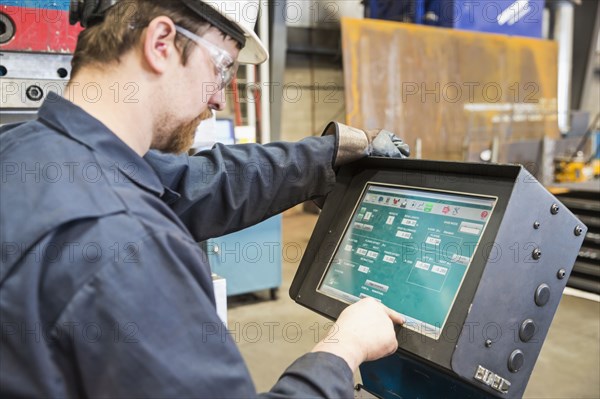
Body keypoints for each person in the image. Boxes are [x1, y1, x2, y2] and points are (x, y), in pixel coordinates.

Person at [0, 0, 409, 397]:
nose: (217, 98)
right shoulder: (125, 243)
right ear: (161, 42)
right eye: (220, 66)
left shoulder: (26, 152)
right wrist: (343, 350)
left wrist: (331, 152)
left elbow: (197, 182)